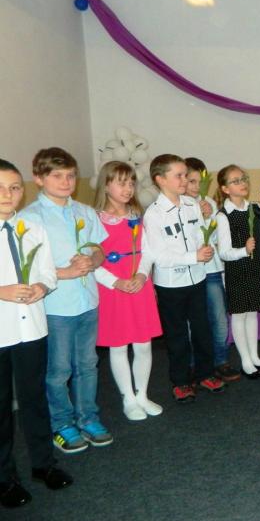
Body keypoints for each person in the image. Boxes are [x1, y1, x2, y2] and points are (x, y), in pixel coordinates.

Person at [20, 148, 112, 452]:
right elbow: (26, 269)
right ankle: (61, 424)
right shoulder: (30, 218)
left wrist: (92, 261)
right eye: (57, 176)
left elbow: (99, 250)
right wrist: (66, 271)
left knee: (88, 363)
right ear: (39, 178)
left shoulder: (84, 211)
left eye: (71, 175)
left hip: (87, 301)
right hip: (56, 306)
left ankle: (88, 418)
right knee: (59, 370)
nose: (66, 181)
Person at [0, 159, 72, 508]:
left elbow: (48, 272)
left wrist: (42, 286)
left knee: (34, 399)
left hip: (31, 328)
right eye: (0, 188)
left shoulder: (32, 226)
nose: (8, 194)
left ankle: (44, 464)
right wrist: (2, 291)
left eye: (14, 187)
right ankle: (4, 478)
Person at [142, 154, 226, 402]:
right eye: (178, 176)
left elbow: (200, 235)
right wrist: (193, 256)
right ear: (160, 179)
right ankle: (180, 381)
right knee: (177, 335)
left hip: (197, 279)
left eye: (185, 175)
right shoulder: (154, 214)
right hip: (171, 285)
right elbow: (159, 256)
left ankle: (205, 373)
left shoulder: (192, 205)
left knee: (202, 329)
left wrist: (204, 247)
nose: (184, 180)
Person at [93, 162, 163, 421]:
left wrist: (142, 275)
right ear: (106, 185)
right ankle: (128, 399)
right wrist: (115, 282)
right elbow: (92, 261)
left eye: (131, 183)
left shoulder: (136, 215)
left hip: (139, 286)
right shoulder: (95, 219)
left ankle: (142, 394)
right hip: (113, 290)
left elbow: (147, 251)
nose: (128, 188)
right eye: (121, 183)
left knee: (143, 345)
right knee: (119, 345)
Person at [215, 165, 260, 379]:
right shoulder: (224, 216)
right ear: (225, 189)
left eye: (243, 179)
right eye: (235, 181)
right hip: (238, 270)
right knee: (240, 315)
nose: (242, 183)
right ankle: (245, 361)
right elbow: (224, 252)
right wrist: (243, 250)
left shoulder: (255, 210)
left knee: (252, 313)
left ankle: (255, 356)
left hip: (256, 268)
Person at [184, 157, 240, 383]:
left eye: (201, 182)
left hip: (212, 270)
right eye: (191, 181)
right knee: (193, 323)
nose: (196, 187)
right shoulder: (180, 205)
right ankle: (193, 364)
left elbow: (217, 238)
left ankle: (220, 361)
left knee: (219, 319)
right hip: (190, 272)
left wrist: (208, 218)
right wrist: (197, 216)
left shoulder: (208, 202)